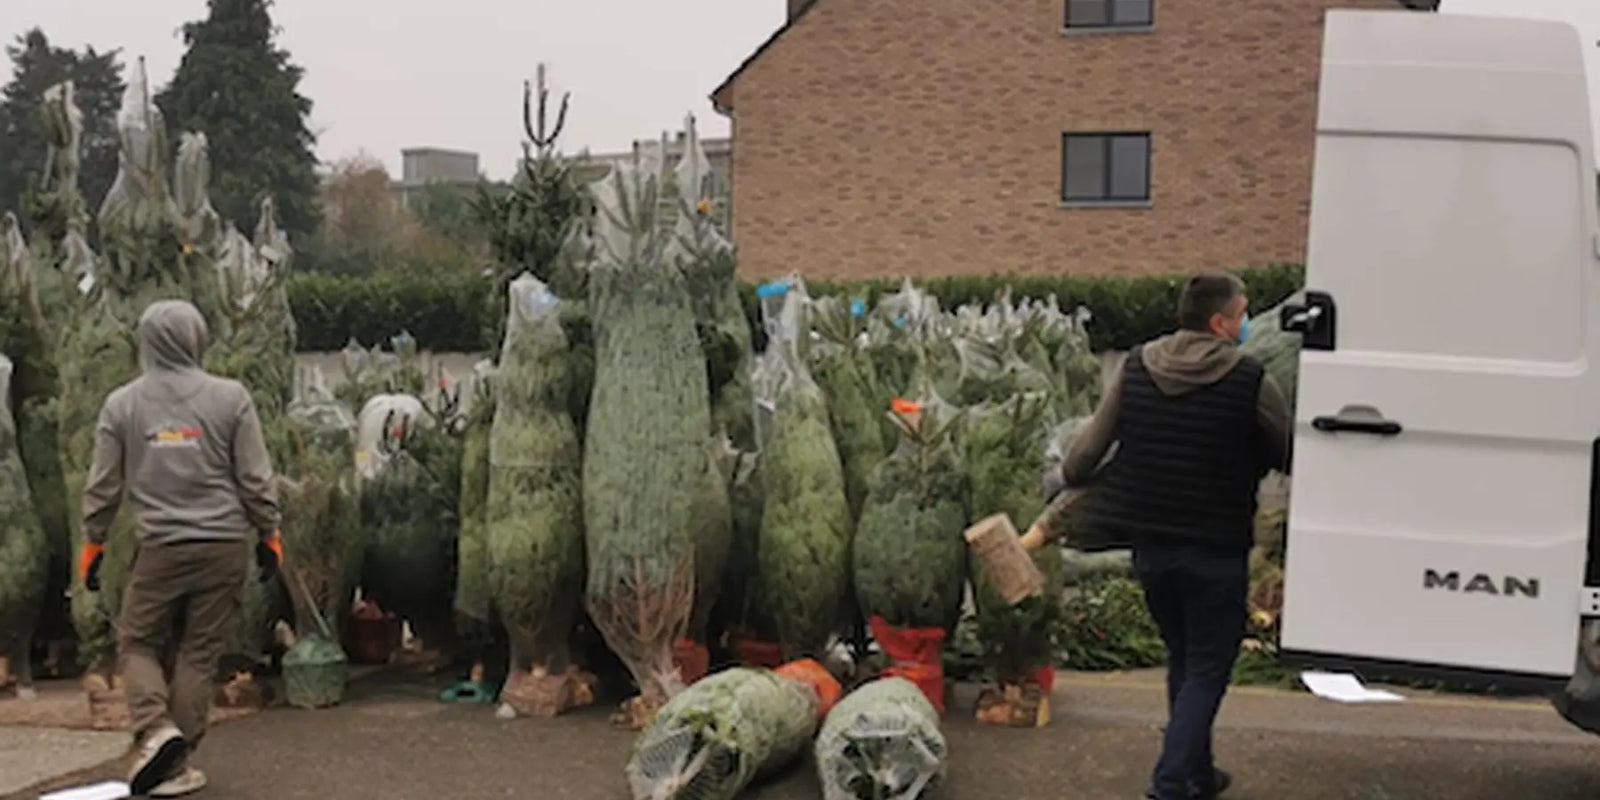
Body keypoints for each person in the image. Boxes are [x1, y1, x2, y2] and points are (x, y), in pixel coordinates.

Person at [1055, 272, 1291, 800]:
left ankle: (1198, 775)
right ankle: (1168, 783)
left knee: (1185, 660)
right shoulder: (1250, 379)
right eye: (1242, 313)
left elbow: (1084, 455)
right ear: (1219, 322)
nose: (1246, 323)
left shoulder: (1138, 368)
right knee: (1209, 667)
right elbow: (1286, 451)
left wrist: (1068, 482)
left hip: (1152, 549)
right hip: (1216, 548)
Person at [78, 299, 283, 798]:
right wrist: (269, 533)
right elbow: (255, 478)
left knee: (138, 641)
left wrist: (93, 542)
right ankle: (176, 759)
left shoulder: (122, 405)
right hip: (223, 547)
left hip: (161, 549)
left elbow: (103, 485)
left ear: (145, 343)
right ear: (198, 338)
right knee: (199, 651)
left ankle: (154, 731)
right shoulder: (230, 398)